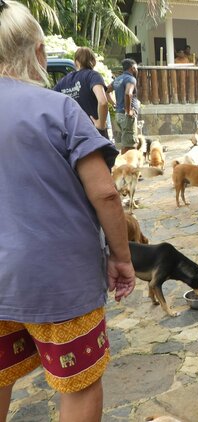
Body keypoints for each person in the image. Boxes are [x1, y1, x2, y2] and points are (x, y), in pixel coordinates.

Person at [0, 2, 136, 421]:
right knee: (78, 386)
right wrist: (123, 258)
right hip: (60, 283)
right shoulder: (58, 109)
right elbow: (106, 194)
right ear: (38, 52)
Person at [54, 47, 110, 139]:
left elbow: (52, 104)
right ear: (93, 61)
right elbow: (103, 102)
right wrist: (101, 124)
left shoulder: (63, 81)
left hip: (72, 136)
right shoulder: (93, 76)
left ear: (76, 62)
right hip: (93, 135)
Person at [107, 58, 140, 154]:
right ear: (133, 68)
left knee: (126, 142)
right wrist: (128, 110)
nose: (137, 71)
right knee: (130, 146)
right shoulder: (131, 79)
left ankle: (124, 165)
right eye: (136, 68)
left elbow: (106, 91)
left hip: (119, 115)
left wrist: (114, 103)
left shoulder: (118, 79)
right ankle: (127, 166)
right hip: (126, 116)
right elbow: (128, 93)